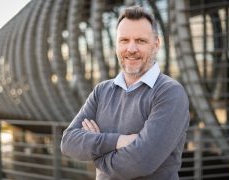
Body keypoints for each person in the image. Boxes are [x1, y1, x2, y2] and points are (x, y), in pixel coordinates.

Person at [61, 5, 189, 180]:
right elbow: (68, 142)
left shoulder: (170, 92)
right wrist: (119, 141)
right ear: (116, 44)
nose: (131, 49)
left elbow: (140, 162)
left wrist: (96, 155)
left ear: (156, 44)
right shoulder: (102, 91)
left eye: (141, 41)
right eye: (124, 40)